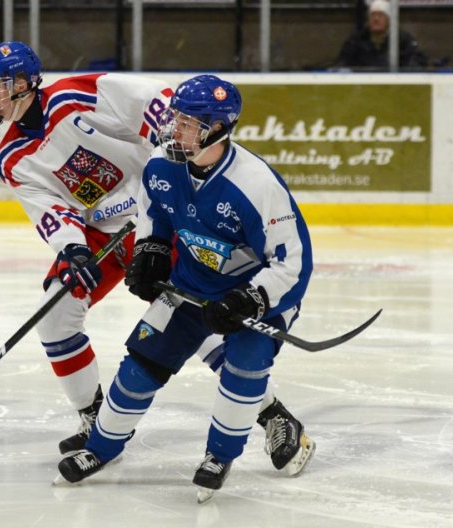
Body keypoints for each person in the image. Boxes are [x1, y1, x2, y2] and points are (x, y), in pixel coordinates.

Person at [57, 75, 315, 502]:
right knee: (141, 363)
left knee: (245, 366)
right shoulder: (163, 164)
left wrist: (250, 298)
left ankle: (219, 455)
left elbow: (293, 263)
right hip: (189, 284)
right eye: (176, 118)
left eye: (187, 123)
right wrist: (151, 248)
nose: (175, 129)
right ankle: (100, 448)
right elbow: (154, 210)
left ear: (217, 129)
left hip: (255, 298)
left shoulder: (256, 185)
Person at [334, 0, 428, 70]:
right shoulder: (356, 40)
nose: (376, 19)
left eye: (381, 15)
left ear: (389, 20)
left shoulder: (403, 39)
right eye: (373, 15)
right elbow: (342, 63)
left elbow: (417, 61)